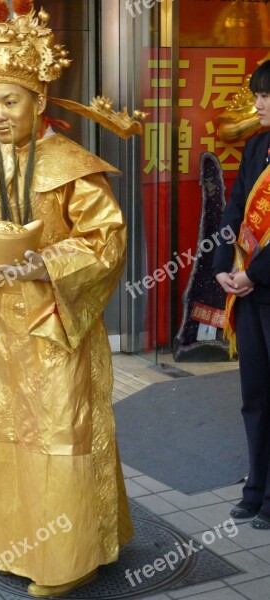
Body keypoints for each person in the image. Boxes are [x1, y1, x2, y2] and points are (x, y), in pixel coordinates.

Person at [0, 0, 138, 596]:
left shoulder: (72, 166)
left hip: (56, 324)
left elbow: (106, 239)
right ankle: (17, 545)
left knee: (62, 435)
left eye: (10, 101)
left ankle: (68, 560)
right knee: (8, 432)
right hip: (3, 326)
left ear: (39, 100)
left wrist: (47, 264)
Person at [213, 59, 270, 530]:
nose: (258, 104)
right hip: (248, 291)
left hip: (265, 284)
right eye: (258, 94)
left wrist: (258, 272)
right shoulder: (256, 146)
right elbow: (234, 208)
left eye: (267, 96)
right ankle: (256, 488)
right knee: (255, 394)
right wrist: (222, 268)